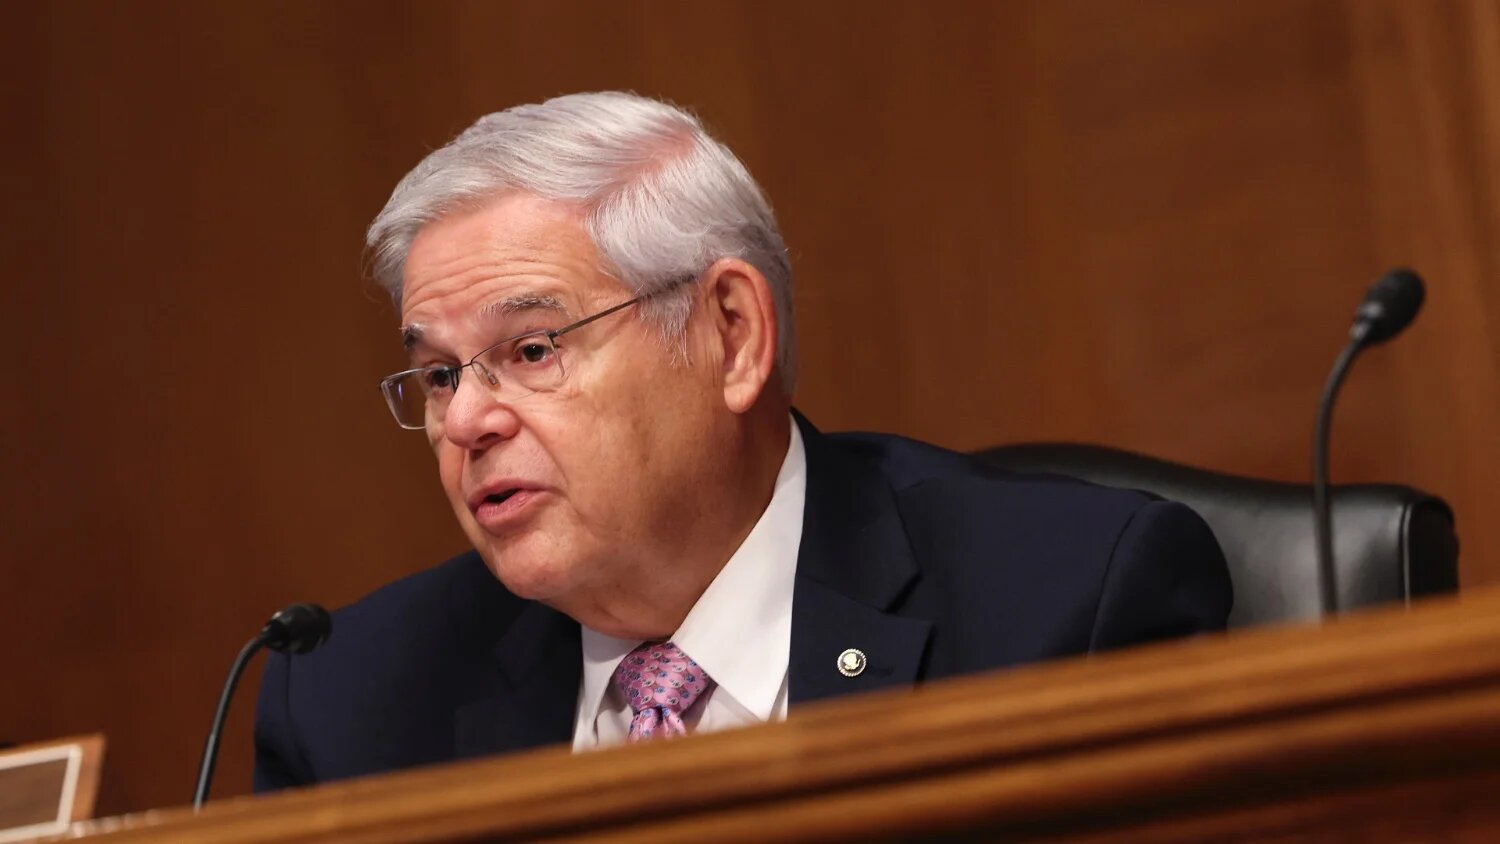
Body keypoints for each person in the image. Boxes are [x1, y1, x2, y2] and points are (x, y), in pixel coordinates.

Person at [254, 91, 1231, 790]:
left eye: (534, 347)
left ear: (732, 333)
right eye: (439, 373)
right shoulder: (353, 705)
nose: (466, 419)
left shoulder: (1067, 611)